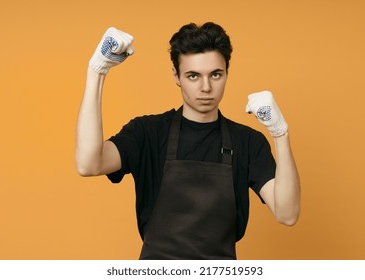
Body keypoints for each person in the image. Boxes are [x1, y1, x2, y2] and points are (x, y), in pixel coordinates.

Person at [75, 22, 301, 260]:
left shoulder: (247, 142)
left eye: (215, 74)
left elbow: (287, 214)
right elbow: (88, 164)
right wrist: (97, 71)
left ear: (227, 73)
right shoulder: (148, 133)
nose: (206, 88)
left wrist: (280, 133)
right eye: (193, 76)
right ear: (176, 76)